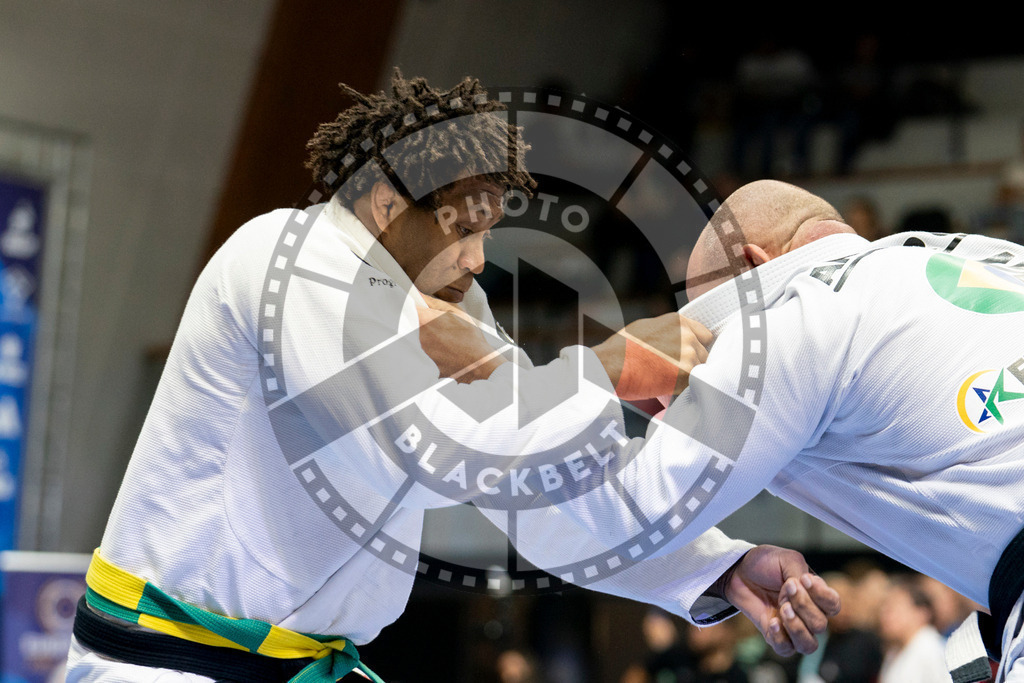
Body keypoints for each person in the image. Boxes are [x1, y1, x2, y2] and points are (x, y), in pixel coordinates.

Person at [65, 75, 838, 682]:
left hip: (297, 664)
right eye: (462, 229)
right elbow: (441, 453)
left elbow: (544, 485)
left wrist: (719, 563)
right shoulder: (289, 260)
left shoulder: (447, 297)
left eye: (488, 233)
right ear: (385, 202)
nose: (476, 259)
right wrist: (602, 369)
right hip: (165, 665)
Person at [431, 176, 1024, 682]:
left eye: (713, 337)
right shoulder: (972, 256)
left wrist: (600, 372)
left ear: (756, 268)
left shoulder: (797, 312)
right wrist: (723, 567)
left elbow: (627, 510)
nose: (704, 370)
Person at [878, 576, 951, 683]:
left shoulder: (932, 650)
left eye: (893, 608)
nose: (885, 615)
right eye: (885, 608)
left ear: (921, 613)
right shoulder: (893, 651)